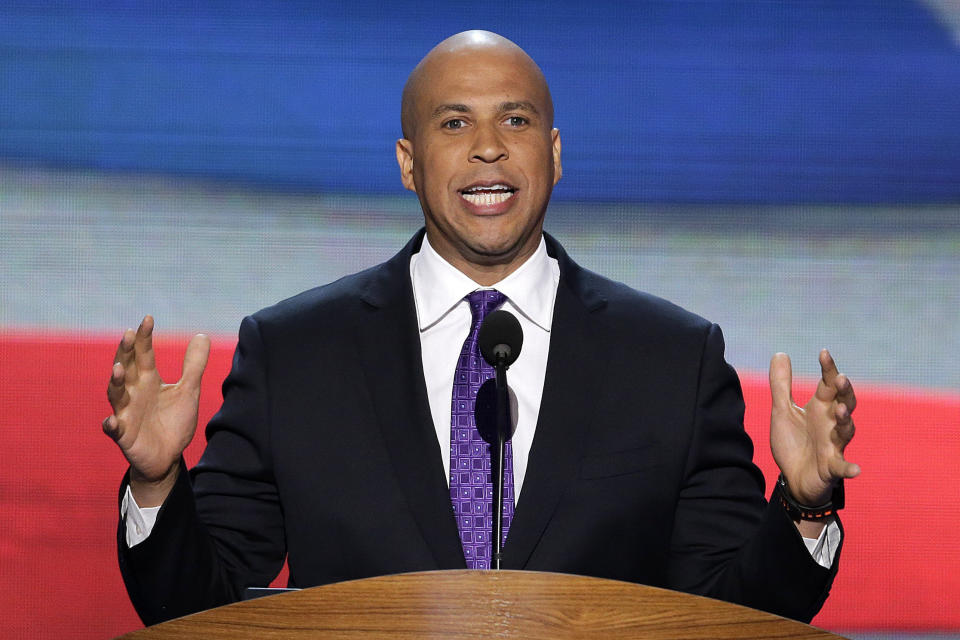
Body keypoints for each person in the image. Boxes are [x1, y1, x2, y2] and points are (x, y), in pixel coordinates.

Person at [104, 31, 859, 626]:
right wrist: (157, 481)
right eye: (455, 122)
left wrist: (803, 504)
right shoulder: (296, 355)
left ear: (555, 155)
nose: (488, 146)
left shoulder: (671, 359)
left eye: (517, 119)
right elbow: (194, 611)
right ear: (408, 163)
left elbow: (735, 618)